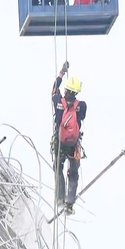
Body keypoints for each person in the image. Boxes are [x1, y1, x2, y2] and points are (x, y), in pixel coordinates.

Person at [51, 61, 86, 215]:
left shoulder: (58, 101)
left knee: (58, 169)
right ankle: (69, 204)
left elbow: (53, 90)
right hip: (73, 145)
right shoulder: (82, 105)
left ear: (66, 89)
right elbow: (82, 118)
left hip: (60, 143)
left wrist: (61, 73)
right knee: (73, 174)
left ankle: (59, 199)